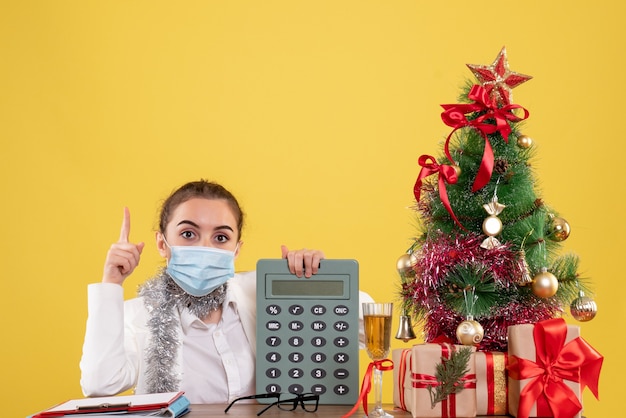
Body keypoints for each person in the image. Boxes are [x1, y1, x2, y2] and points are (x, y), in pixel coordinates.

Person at [80, 180, 373, 404]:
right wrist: (110, 284)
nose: (205, 247)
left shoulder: (264, 292)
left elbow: (367, 331)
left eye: (221, 237)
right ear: (161, 243)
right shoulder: (137, 316)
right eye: (188, 234)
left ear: (236, 250)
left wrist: (311, 283)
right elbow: (99, 383)